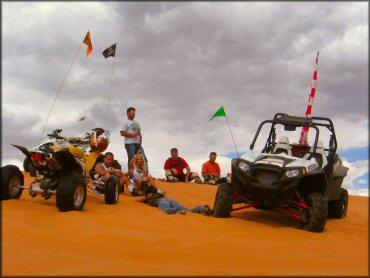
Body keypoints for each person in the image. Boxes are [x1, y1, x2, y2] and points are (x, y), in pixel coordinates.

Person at [140, 185, 213, 216]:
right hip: (171, 200)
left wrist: (146, 197)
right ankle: (202, 207)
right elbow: (163, 192)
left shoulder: (149, 197)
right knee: (189, 211)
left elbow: (136, 200)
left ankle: (178, 212)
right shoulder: (159, 193)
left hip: (162, 201)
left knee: (166, 210)